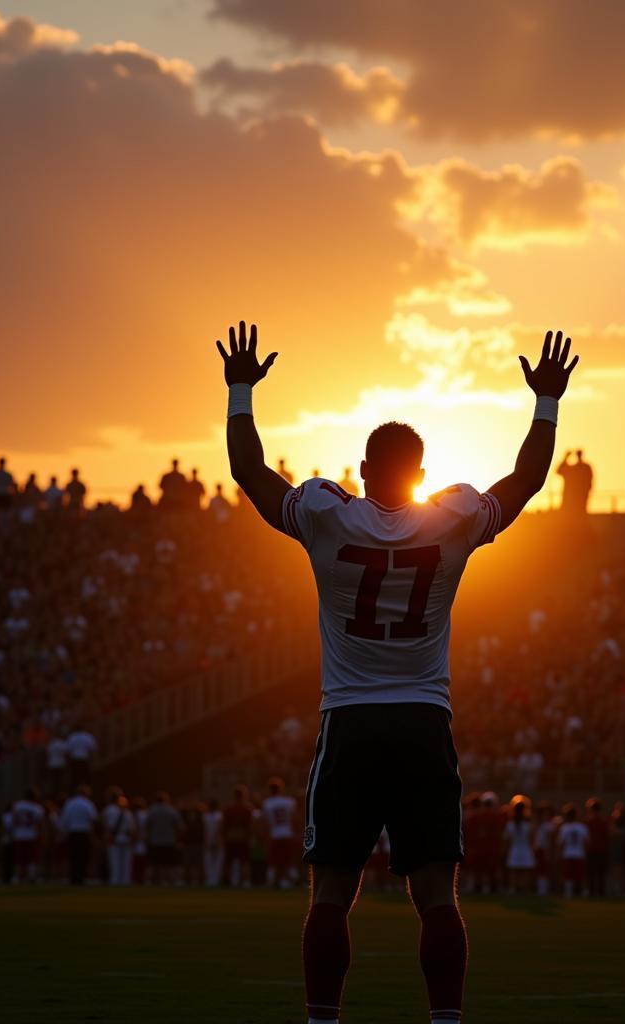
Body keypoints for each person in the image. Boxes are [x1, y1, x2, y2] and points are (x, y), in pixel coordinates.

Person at [217, 320, 579, 1024]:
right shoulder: (449, 519)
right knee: (437, 895)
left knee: (329, 894)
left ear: (360, 470)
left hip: (351, 720)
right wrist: (547, 401)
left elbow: (250, 474)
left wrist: (240, 389)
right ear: (420, 474)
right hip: (421, 719)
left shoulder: (326, 514)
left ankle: (324, 1021)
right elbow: (529, 478)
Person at [262, 778, 298, 889]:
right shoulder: (289, 802)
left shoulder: (267, 803)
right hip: (287, 834)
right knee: (289, 861)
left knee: (273, 861)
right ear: (281, 789)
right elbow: (294, 819)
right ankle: (293, 881)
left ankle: (272, 882)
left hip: (275, 835)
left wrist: (265, 837)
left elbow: (266, 822)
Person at [59, 785, 98, 885]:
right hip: (84, 832)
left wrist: (63, 832)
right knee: (83, 857)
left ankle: (73, 878)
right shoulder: (87, 803)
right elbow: (93, 819)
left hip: (72, 832)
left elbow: (64, 819)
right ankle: (80, 878)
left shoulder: (70, 803)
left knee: (73, 856)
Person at [10, 788, 46, 883]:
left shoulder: (17, 805)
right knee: (32, 858)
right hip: (31, 835)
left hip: (19, 834)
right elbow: (39, 824)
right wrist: (41, 835)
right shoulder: (37, 807)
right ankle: (31, 876)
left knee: (19, 858)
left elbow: (13, 820)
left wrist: (13, 832)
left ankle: (18, 877)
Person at [146, 792, 182, 885]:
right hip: (169, 841)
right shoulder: (171, 810)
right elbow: (179, 826)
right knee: (168, 863)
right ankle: (168, 880)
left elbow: (147, 825)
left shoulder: (152, 810)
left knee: (154, 863)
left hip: (155, 840)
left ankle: (151, 881)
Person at [102, 787, 135, 886]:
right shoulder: (126, 812)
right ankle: (125, 880)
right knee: (126, 864)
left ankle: (115, 880)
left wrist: (107, 838)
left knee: (114, 862)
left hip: (114, 838)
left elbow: (106, 827)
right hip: (126, 838)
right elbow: (131, 829)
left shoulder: (107, 810)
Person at [503, 795, 535, 893]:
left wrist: (505, 851)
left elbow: (507, 840)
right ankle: (523, 889)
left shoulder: (510, 824)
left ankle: (513, 888)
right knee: (524, 871)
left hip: (514, 849)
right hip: (525, 849)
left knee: (514, 871)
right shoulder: (528, 825)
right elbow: (531, 840)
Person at [556, 803, 589, 899]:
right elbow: (587, 842)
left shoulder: (565, 828)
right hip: (579, 853)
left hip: (568, 854)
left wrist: (559, 854)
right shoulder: (582, 827)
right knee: (581, 875)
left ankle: (569, 892)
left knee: (568, 875)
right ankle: (584, 891)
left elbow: (560, 843)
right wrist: (585, 852)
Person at [224, 784, 253, 888]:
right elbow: (250, 825)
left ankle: (227, 881)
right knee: (244, 862)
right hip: (243, 838)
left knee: (229, 861)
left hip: (230, 837)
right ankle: (244, 881)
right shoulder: (247, 809)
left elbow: (224, 825)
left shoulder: (228, 809)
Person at [203, 798, 224, 887]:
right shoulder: (208, 816)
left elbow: (219, 830)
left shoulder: (218, 816)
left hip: (213, 840)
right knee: (213, 861)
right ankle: (212, 880)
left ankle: (213, 880)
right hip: (213, 840)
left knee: (212, 861)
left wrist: (210, 840)